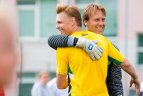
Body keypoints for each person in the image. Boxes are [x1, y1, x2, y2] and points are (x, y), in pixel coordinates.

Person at [52, 4, 140, 96]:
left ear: (73, 21)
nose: (101, 23)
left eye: (103, 20)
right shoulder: (104, 42)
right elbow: (126, 64)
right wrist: (135, 77)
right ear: (85, 21)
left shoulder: (63, 47)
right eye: (97, 20)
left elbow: (60, 85)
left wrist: (70, 79)